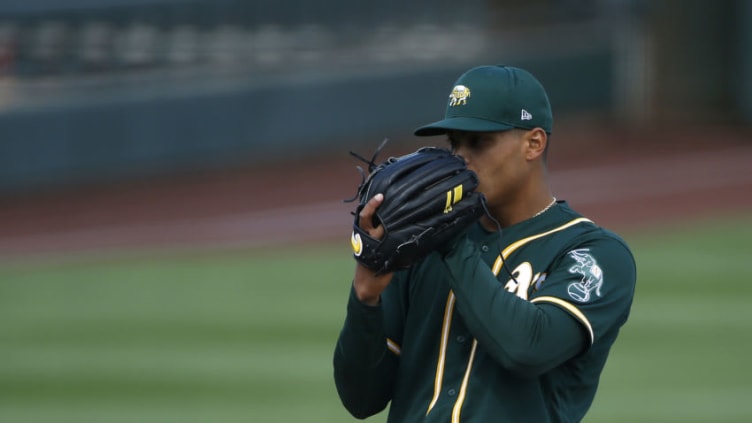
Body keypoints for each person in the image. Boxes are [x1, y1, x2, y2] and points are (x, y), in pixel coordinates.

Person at [333, 65, 637, 423]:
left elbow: (528, 348)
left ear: (534, 143)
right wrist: (365, 298)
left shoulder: (592, 254)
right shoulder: (420, 248)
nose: (460, 157)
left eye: (479, 142)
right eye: (454, 143)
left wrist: (450, 242)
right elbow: (361, 398)